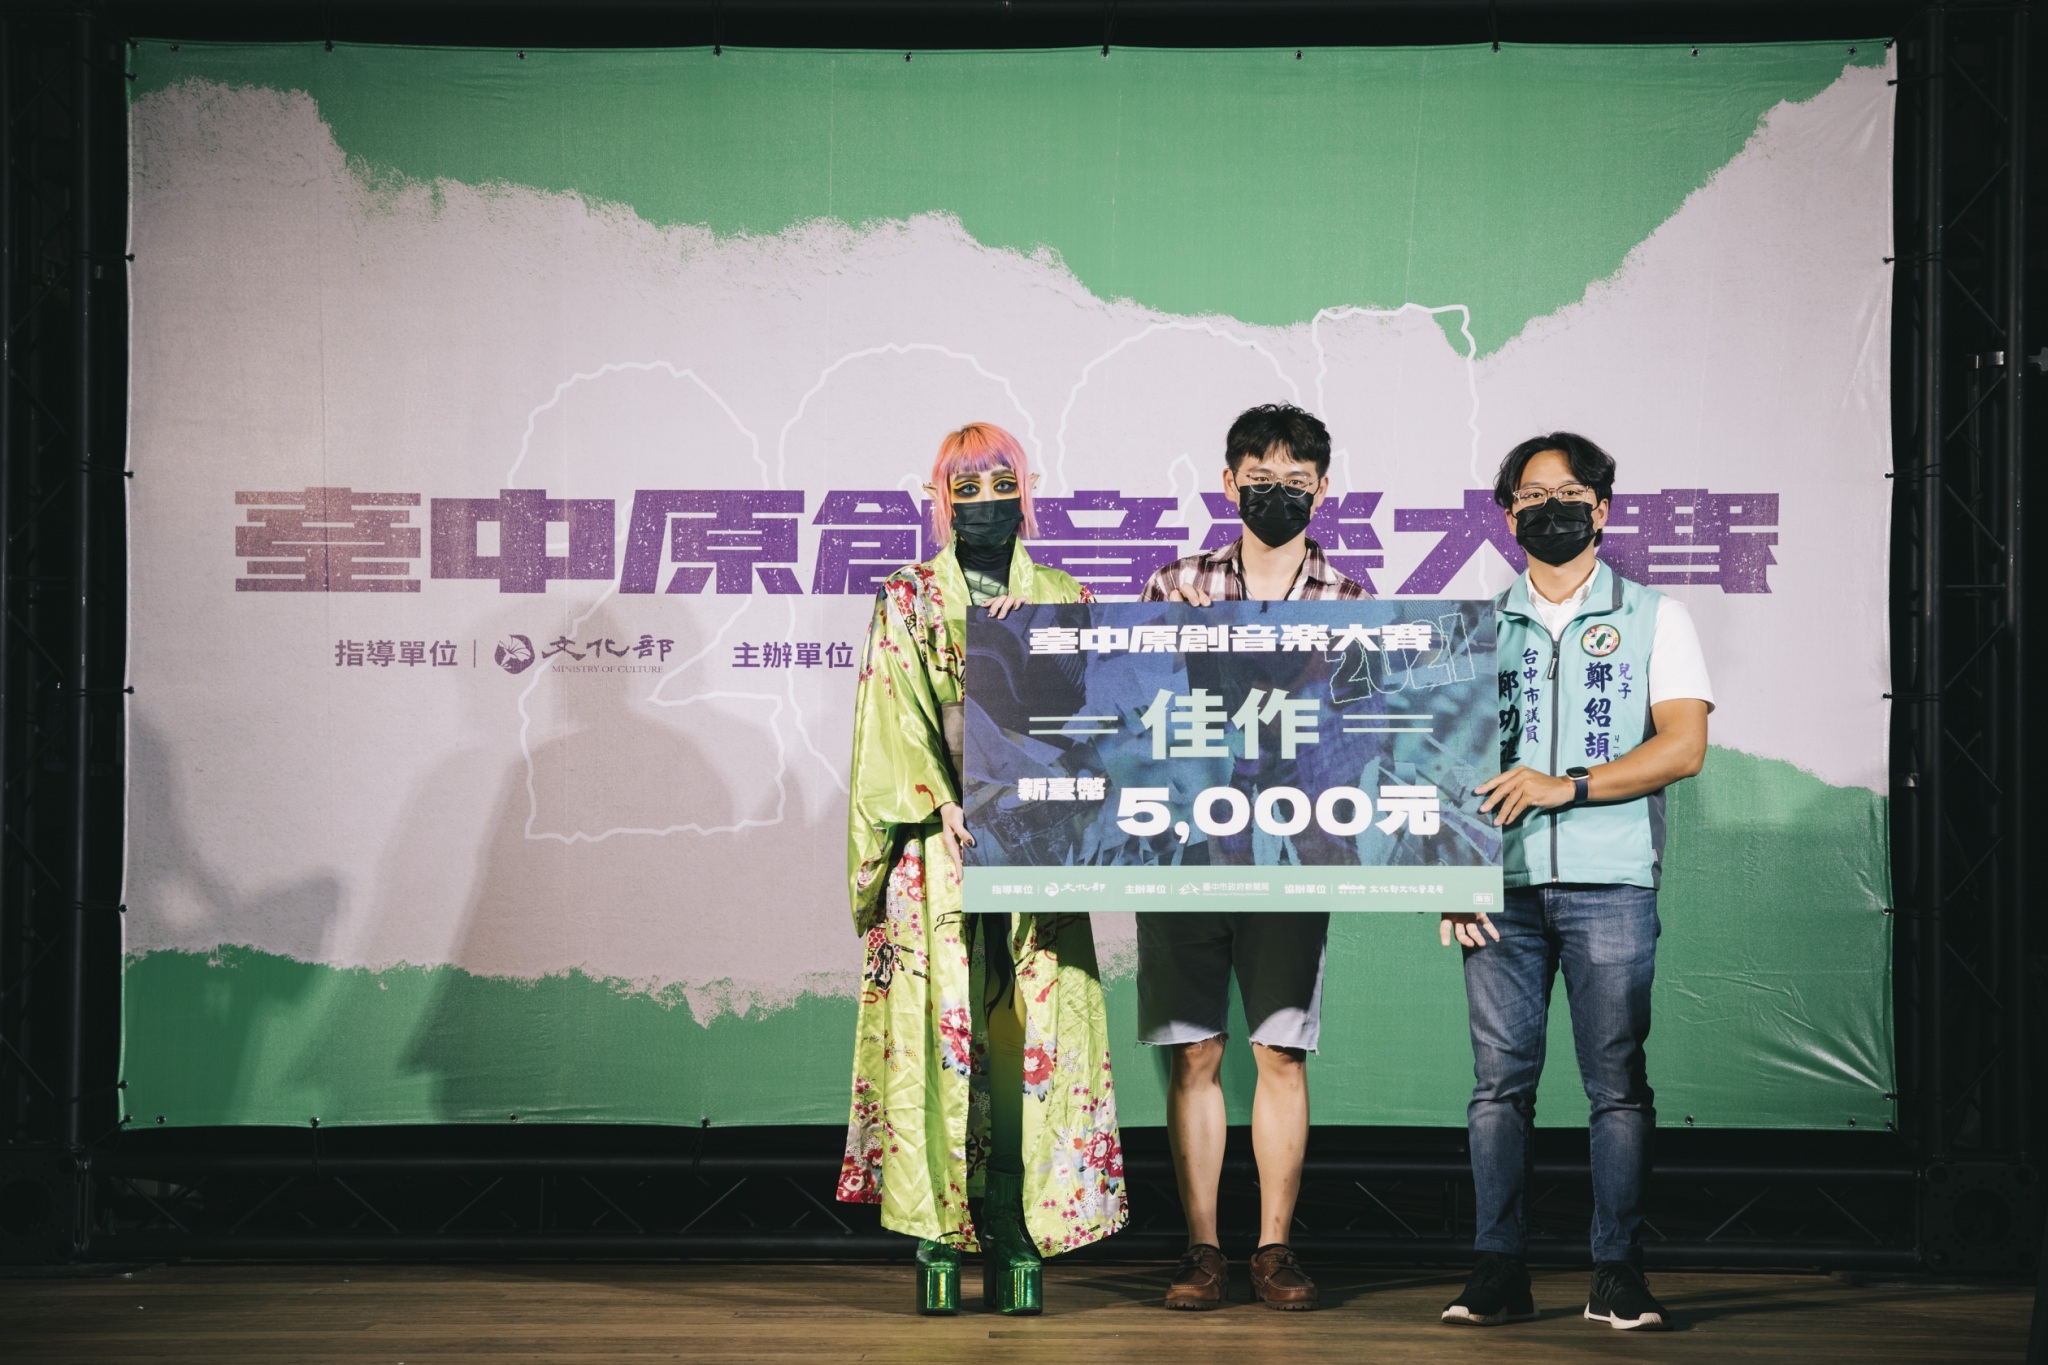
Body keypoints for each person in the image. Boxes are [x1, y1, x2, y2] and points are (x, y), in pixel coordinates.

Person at [836, 422, 1125, 1316]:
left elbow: (1096, 719)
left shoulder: (1066, 596)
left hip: (1036, 833)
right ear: (942, 499)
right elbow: (891, 715)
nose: (987, 502)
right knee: (943, 1025)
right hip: (942, 838)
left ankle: (1017, 1223)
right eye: (966, 488)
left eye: (1003, 484)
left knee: (1025, 1032)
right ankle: (936, 1232)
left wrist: (1030, 658)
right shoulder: (908, 595)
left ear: (1025, 492)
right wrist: (940, 801)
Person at [1439, 432, 1713, 1333]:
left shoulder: (1655, 616)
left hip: (1612, 884)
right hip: (1501, 890)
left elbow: (1683, 745)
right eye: (1530, 495)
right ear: (1506, 513)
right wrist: (1453, 873)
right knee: (1497, 1088)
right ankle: (1497, 1270)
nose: (1548, 508)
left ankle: (1616, 1272)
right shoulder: (1476, 626)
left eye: (1567, 493)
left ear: (1601, 507)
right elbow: (1443, 765)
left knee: (1618, 1087)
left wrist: (1571, 786)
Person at [1135, 403, 1367, 1312]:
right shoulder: (1175, 583)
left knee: (1280, 1049)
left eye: (1295, 480)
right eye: (1260, 477)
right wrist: (1183, 644)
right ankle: (1202, 1248)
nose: (1278, 492)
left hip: (1292, 847)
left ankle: (1274, 1247)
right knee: (1194, 1051)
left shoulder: (1352, 601)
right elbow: (1132, 710)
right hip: (1187, 844)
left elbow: (1363, 732)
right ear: (1228, 482)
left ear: (1323, 488)